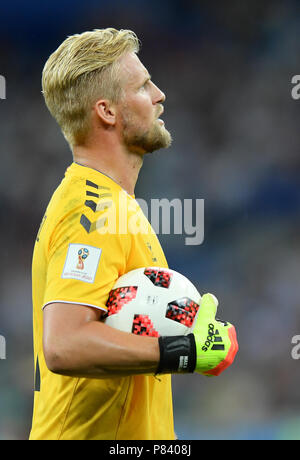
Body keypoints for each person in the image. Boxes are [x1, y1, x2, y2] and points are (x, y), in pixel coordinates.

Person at [29, 28, 238, 441]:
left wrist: (189, 333)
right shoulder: (90, 211)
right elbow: (65, 344)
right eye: (143, 86)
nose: (160, 95)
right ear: (107, 111)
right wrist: (185, 352)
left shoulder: (114, 205)